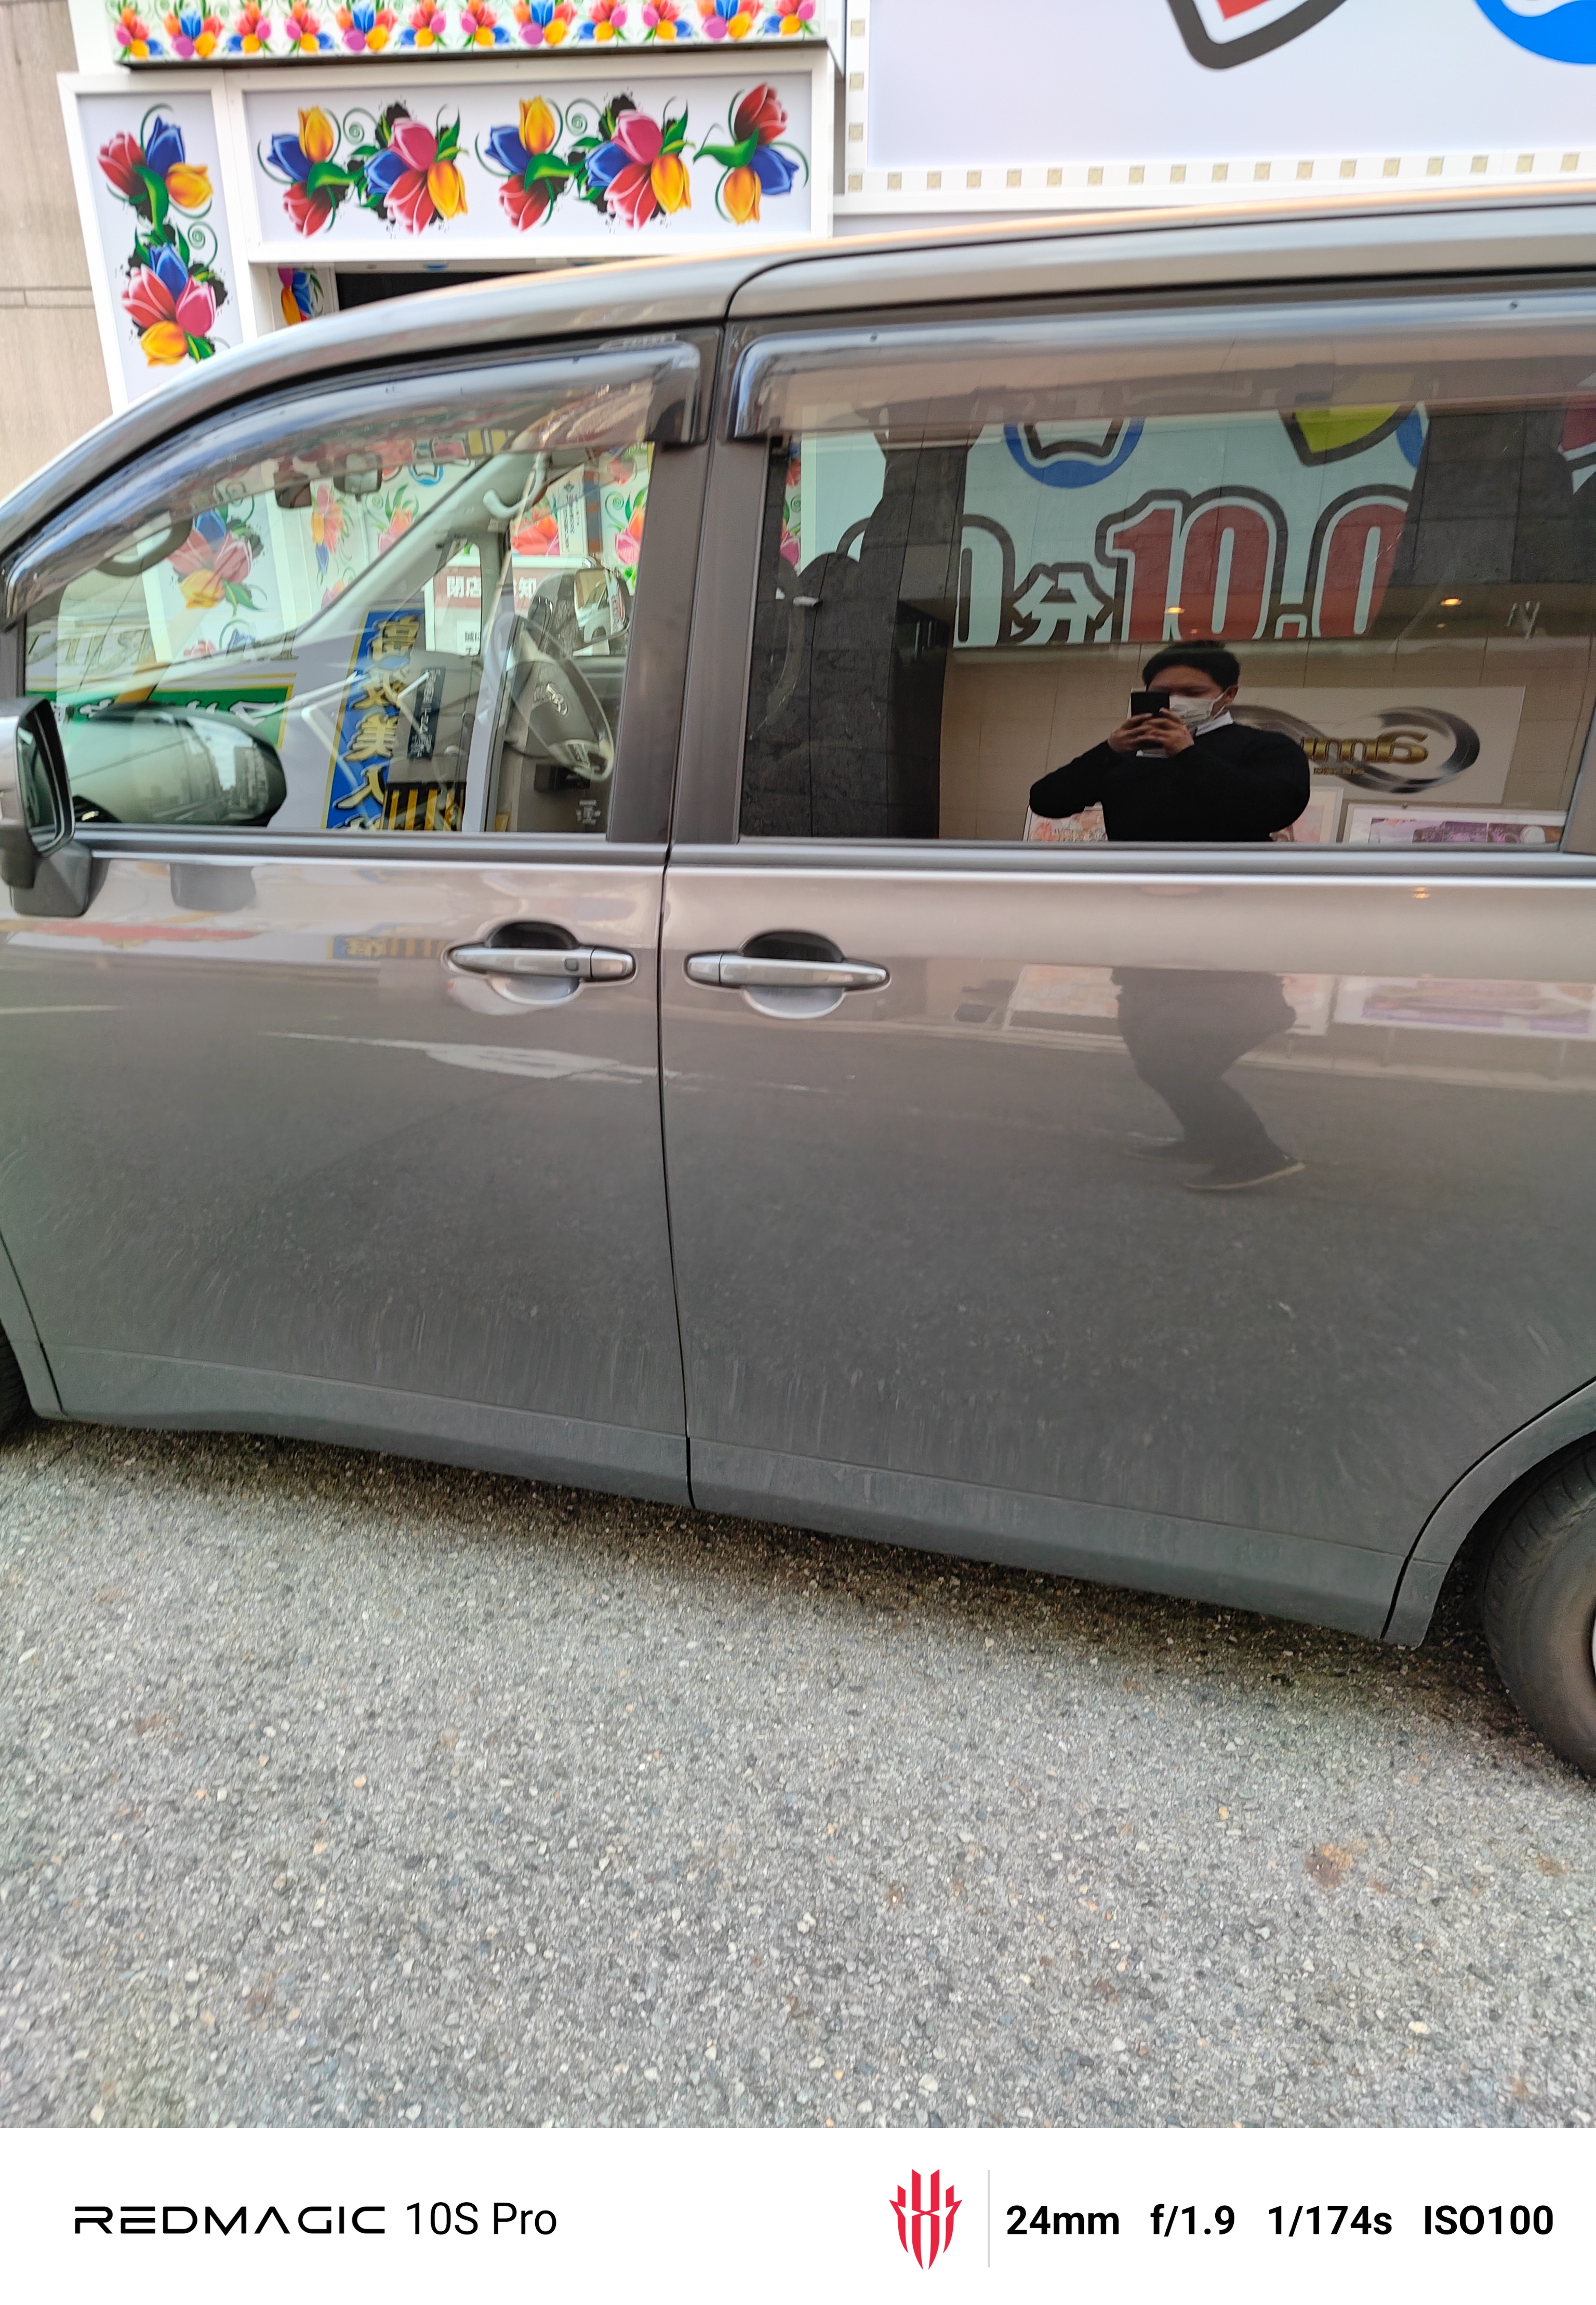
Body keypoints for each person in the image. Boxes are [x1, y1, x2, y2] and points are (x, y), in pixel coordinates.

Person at [1029, 645, 1311, 1192]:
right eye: (1162, 693)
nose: (1175, 702)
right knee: (1143, 1039)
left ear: (1227, 696)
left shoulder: (1263, 748)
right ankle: (1205, 1135)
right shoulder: (1127, 753)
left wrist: (1189, 753)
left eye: (1192, 693)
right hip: (1143, 925)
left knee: (1171, 1052)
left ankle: (1254, 1153)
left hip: (1225, 929)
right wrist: (1109, 750)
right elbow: (1048, 800)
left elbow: (1271, 806)